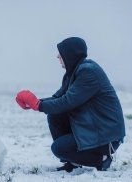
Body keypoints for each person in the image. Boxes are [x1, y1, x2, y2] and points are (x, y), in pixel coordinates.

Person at [15, 37, 125, 172]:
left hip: (107, 136)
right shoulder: (72, 74)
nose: (57, 56)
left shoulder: (89, 72)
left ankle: (102, 159)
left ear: (70, 54)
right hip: (92, 128)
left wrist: (38, 105)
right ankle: (74, 163)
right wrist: (35, 102)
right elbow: (58, 98)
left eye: (60, 54)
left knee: (58, 148)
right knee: (54, 116)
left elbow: (67, 102)